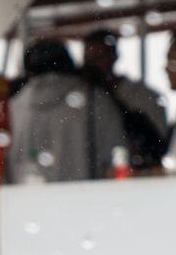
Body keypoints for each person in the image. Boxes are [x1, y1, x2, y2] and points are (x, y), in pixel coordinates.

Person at [7, 41, 127, 183]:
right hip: (85, 199)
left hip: (27, 199)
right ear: (69, 64)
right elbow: (117, 155)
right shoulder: (94, 101)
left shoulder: (13, 107)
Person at [80, 29, 169, 169]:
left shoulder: (143, 96)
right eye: (89, 61)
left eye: (99, 57)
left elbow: (158, 143)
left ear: (113, 56)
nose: (93, 67)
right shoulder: (82, 101)